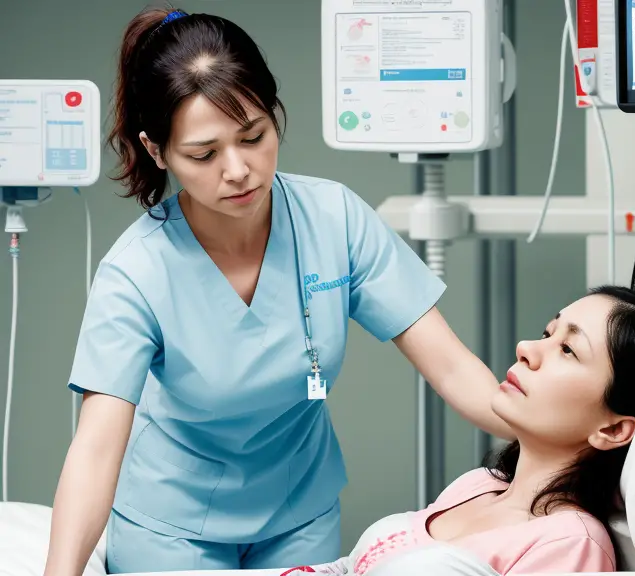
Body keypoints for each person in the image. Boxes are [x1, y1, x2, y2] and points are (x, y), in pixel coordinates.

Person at [42, 7, 513, 576]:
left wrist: (559, 433)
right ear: (158, 151)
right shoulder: (137, 271)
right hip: (172, 523)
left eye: (254, 136)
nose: (238, 169)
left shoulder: (333, 217)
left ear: (274, 116)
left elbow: (454, 369)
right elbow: (96, 446)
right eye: (204, 154)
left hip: (299, 512)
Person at [278, 286, 635, 575]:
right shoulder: (477, 486)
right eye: (547, 332)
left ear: (614, 428)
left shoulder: (568, 544)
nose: (527, 349)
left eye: (567, 349)